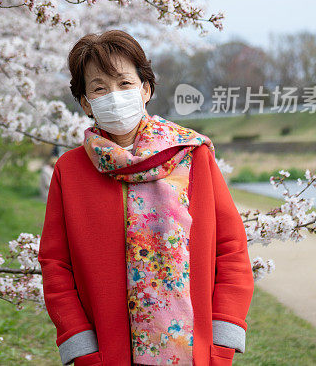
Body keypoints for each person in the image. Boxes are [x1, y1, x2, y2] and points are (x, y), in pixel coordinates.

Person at [37, 30, 254, 365]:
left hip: (197, 351)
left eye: (124, 83)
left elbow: (231, 249)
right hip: (107, 353)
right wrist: (82, 347)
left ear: (146, 88)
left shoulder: (191, 156)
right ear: (85, 103)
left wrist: (223, 336)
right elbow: (56, 265)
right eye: (99, 88)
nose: (114, 95)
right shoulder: (70, 170)